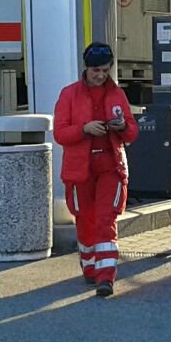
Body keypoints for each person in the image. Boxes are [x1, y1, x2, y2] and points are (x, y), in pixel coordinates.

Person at [53, 42, 139, 296]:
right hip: (80, 169)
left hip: (111, 166)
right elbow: (60, 133)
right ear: (86, 69)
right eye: (95, 71)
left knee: (105, 219)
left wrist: (122, 125)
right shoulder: (69, 94)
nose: (101, 75)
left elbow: (132, 133)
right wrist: (84, 129)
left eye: (104, 70)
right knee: (85, 220)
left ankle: (106, 276)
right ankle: (90, 268)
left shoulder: (117, 95)